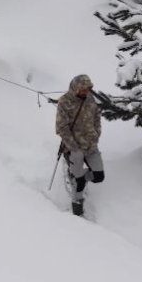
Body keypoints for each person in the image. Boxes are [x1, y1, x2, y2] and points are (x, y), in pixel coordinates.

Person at [55, 74, 105, 216]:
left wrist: (96, 134)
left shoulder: (90, 100)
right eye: (82, 89)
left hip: (91, 145)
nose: (85, 92)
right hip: (74, 147)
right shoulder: (65, 102)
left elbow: (97, 118)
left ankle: (79, 176)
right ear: (75, 88)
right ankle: (77, 208)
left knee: (99, 176)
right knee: (79, 183)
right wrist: (74, 147)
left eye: (88, 89)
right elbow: (61, 127)